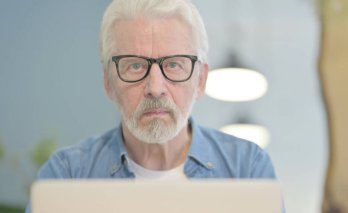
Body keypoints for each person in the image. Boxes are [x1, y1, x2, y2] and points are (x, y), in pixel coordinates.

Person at [28, 0, 278, 210]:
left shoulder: (247, 167)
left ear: (200, 80)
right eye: (135, 66)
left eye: (173, 65)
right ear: (108, 83)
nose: (155, 87)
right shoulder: (68, 175)